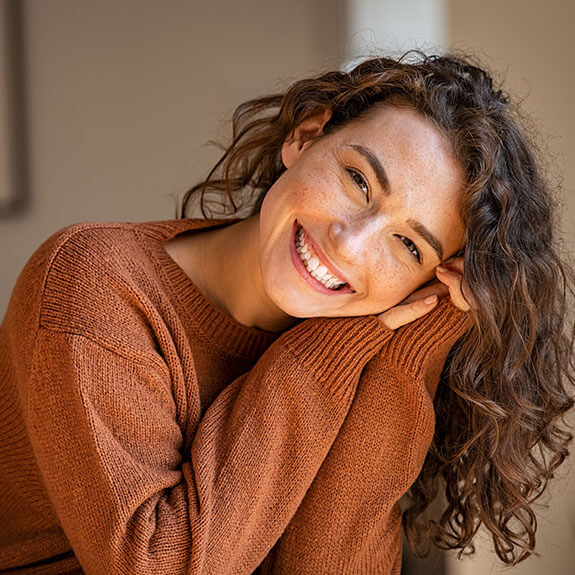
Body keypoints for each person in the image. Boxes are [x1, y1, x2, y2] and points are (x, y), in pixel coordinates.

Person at [0, 52, 573, 575]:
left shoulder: (367, 347)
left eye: (409, 246)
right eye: (357, 180)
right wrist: (318, 358)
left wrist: (411, 350)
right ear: (305, 137)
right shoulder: (93, 283)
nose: (350, 244)